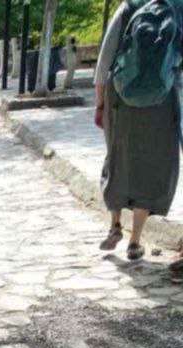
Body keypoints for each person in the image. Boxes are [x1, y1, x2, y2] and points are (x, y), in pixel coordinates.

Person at [94, 1, 182, 262]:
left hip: (121, 95)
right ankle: (135, 241)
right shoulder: (178, 10)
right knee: (150, 167)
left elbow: (103, 64)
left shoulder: (129, 7)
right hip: (162, 100)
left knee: (118, 158)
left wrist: (100, 104)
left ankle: (115, 224)